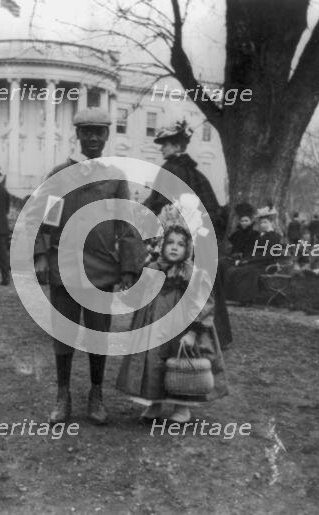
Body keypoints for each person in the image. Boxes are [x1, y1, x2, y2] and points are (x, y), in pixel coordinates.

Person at [32, 107, 143, 425]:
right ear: (77, 135)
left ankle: (96, 395)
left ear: (107, 135)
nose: (93, 137)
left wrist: (129, 268)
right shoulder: (59, 175)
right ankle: (62, 395)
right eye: (87, 132)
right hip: (64, 267)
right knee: (63, 333)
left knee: (98, 333)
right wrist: (41, 255)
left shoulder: (115, 178)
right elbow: (42, 219)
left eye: (99, 131)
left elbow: (127, 223)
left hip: (101, 270)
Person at [116, 224, 228, 423]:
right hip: (154, 323)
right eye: (170, 243)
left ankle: (181, 406)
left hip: (181, 326)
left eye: (181, 244)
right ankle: (155, 402)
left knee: (181, 362)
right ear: (162, 245)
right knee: (153, 362)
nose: (174, 247)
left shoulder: (192, 273)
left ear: (188, 249)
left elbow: (203, 302)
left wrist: (194, 331)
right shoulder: (153, 268)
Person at [143, 119, 232, 349]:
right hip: (198, 244)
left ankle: (168, 333)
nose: (162, 148)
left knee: (174, 283)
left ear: (176, 146)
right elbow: (215, 214)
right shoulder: (198, 175)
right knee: (199, 284)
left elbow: (156, 205)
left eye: (165, 144)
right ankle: (212, 333)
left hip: (175, 243)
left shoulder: (169, 171)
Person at [223, 208, 282, 305]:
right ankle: (235, 297)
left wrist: (250, 261)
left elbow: (269, 255)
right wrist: (246, 260)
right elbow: (253, 252)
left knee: (245, 271)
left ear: (271, 223)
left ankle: (246, 299)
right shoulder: (260, 236)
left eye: (265, 222)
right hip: (257, 262)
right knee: (233, 269)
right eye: (261, 223)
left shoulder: (274, 236)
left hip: (267, 263)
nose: (262, 225)